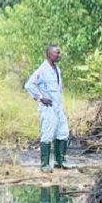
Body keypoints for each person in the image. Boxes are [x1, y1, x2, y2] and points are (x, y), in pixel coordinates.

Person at [24, 44, 70, 173]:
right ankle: (44, 164)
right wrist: (40, 97)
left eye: (59, 53)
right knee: (47, 134)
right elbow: (29, 85)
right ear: (49, 54)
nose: (59, 55)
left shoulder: (57, 69)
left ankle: (59, 161)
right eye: (57, 53)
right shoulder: (42, 70)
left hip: (58, 106)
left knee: (63, 132)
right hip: (48, 107)